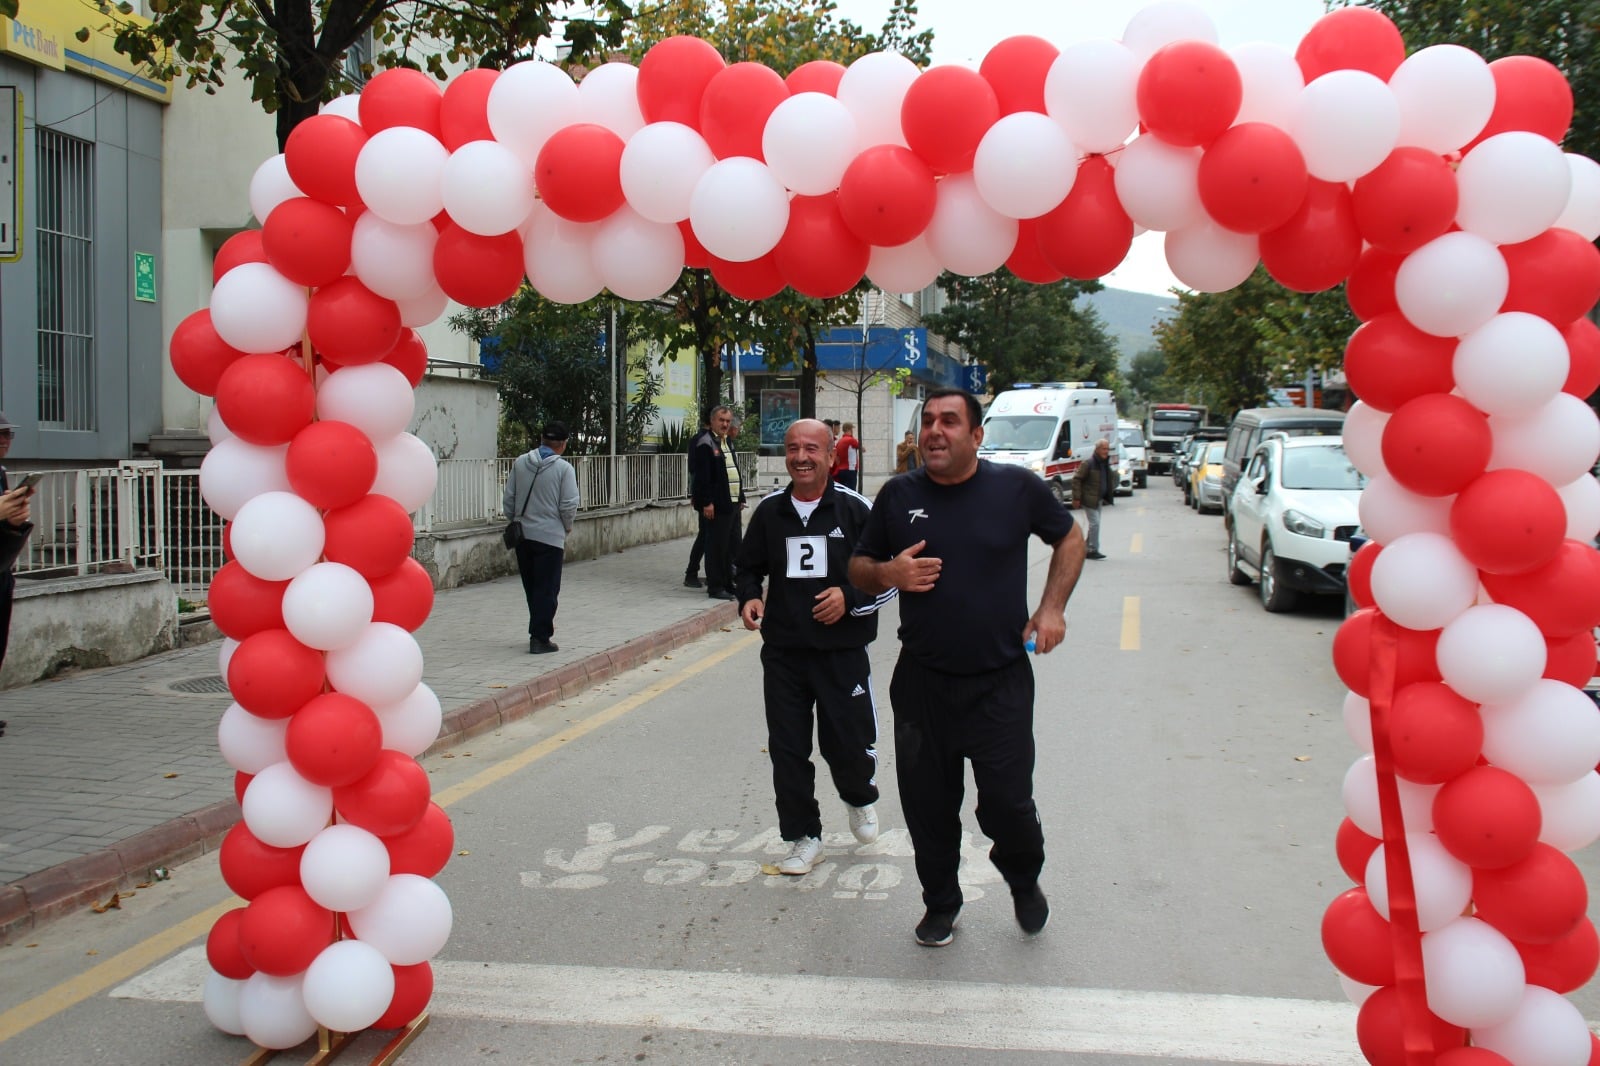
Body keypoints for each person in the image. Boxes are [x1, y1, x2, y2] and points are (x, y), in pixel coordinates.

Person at [849, 388, 1087, 948]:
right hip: (922, 682)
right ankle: (941, 904)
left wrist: (1051, 608)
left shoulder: (1016, 488)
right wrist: (890, 574)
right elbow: (858, 565)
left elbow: (1070, 536)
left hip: (999, 681)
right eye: (928, 420)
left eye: (949, 422)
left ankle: (1023, 876)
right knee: (928, 807)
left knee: (1008, 803)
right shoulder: (898, 494)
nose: (935, 430)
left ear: (976, 435)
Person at [736, 419, 896, 875]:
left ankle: (859, 798)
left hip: (841, 654)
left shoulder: (856, 511)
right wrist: (748, 596)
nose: (801, 458)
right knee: (787, 748)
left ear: (830, 456)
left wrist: (851, 598)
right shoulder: (770, 512)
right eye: (792, 449)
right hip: (784, 654)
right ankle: (804, 837)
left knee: (845, 744)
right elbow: (747, 568)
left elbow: (889, 577)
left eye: (811, 449)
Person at [503, 422, 580, 654]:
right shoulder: (564, 470)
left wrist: (517, 519)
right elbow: (568, 505)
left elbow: (509, 500)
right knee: (547, 589)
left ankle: (537, 628)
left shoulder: (520, 463)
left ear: (541, 439)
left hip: (523, 537)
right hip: (550, 538)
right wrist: (566, 527)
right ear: (564, 444)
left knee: (532, 586)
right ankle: (540, 638)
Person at [690, 404, 745, 602]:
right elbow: (702, 477)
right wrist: (707, 503)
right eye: (721, 420)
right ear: (712, 421)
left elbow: (733, 470)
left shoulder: (726, 441)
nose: (724, 424)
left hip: (732, 502)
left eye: (727, 421)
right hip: (717, 504)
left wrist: (741, 497)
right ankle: (715, 586)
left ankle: (728, 584)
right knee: (716, 547)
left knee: (731, 547)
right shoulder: (705, 443)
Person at [683, 413, 712, 589]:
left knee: (707, 536)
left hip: (704, 495)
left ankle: (707, 573)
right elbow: (699, 472)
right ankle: (692, 572)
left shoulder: (706, 439)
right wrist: (702, 498)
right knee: (705, 536)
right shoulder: (703, 440)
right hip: (705, 497)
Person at [1071, 439, 1113, 561]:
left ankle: (1086, 548)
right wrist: (1077, 498)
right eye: (1104, 449)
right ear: (1097, 449)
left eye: (1107, 449)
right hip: (1089, 499)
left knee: (1094, 524)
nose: (1106, 451)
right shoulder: (1088, 463)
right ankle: (1093, 549)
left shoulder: (1104, 463)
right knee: (1095, 523)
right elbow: (1076, 479)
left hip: (1098, 499)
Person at [833, 421, 862, 491]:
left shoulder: (839, 442)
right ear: (850, 429)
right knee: (851, 490)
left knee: (842, 490)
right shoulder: (851, 440)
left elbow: (836, 455)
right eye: (852, 429)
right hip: (850, 469)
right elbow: (862, 448)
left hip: (841, 469)